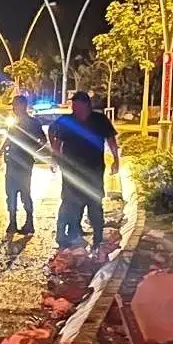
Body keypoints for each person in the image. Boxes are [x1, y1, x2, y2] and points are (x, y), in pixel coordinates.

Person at [49, 91, 119, 249]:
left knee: (94, 202)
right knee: (69, 202)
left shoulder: (99, 120)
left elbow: (111, 140)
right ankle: (65, 234)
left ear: (86, 105)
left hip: (94, 169)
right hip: (71, 170)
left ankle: (98, 238)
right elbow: (56, 141)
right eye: (72, 105)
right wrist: (54, 159)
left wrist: (116, 159)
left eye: (76, 105)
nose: (73, 108)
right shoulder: (67, 121)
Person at [0, 95, 48, 237]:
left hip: (24, 163)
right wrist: (1, 150)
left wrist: (31, 149)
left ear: (22, 106)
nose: (13, 107)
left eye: (15, 105)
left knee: (25, 193)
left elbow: (42, 140)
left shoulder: (33, 123)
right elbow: (9, 138)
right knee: (11, 193)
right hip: (12, 161)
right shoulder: (15, 123)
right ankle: (12, 222)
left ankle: (29, 222)